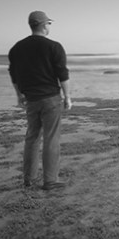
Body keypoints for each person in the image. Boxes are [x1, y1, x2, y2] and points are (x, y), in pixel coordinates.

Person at [8, 10, 72, 190]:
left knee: (32, 138)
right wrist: (67, 97)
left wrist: (19, 95)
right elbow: (63, 74)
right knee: (51, 139)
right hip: (51, 98)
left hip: (31, 99)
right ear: (44, 25)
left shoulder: (16, 48)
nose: (49, 26)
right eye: (49, 23)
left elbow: (14, 75)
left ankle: (29, 180)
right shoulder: (54, 47)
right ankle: (50, 181)